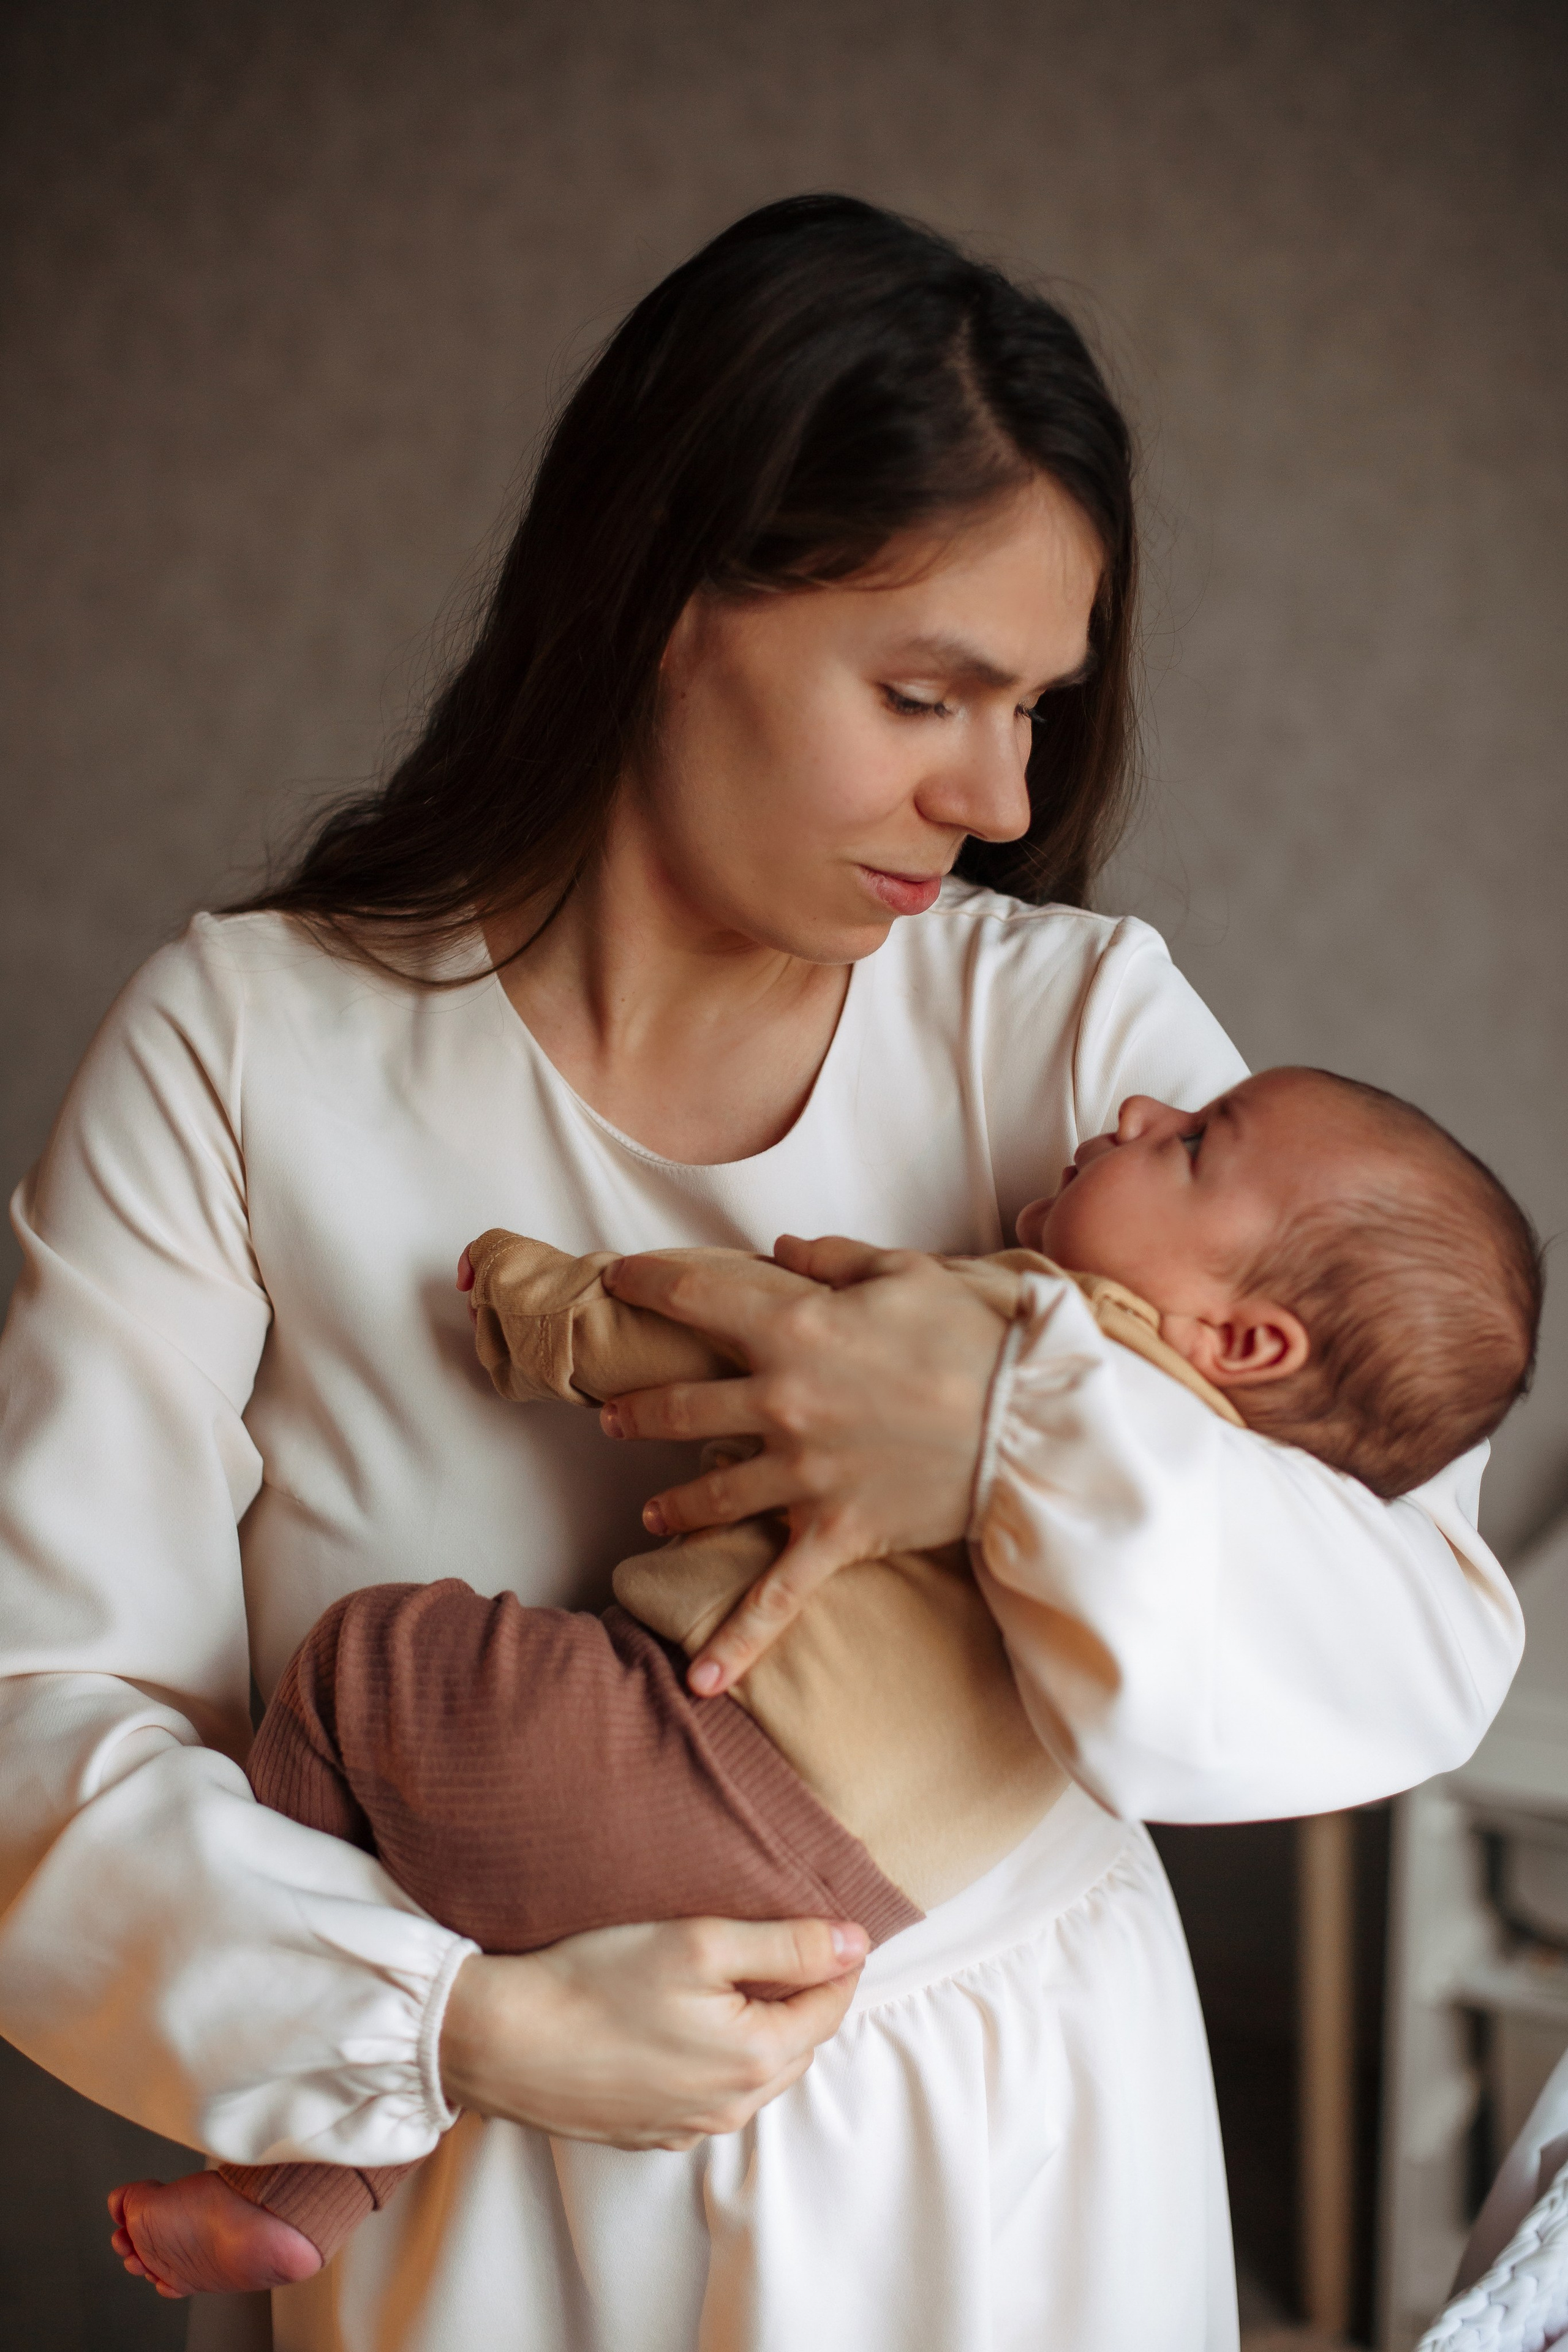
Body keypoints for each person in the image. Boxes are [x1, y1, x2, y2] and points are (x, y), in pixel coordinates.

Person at [0, 195, 1525, 2352]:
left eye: (1037, 708)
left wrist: (1004, 1430)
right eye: (928, 691)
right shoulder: (247, 1052)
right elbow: (41, 1716)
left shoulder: (1073, 1045)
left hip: (1024, 2192)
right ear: (658, 606)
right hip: (488, 2244)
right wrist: (461, 2032)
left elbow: (1411, 1638)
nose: (999, 797)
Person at [106, 1063, 1543, 2301]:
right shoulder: (1231, 1509)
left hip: (691, 1756)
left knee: (362, 1670)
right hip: (854, 1903)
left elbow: (754, 1336)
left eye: (1189, 1144)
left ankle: (301, 2129)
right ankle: (300, 2193)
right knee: (462, 1859)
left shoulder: (1042, 1334)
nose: (1140, 1103)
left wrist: (541, 1311)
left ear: (1241, 1341)